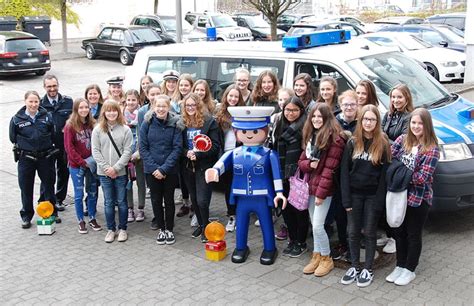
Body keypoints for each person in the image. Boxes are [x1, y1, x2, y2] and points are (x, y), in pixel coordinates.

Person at [205, 106, 286, 265]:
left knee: (266, 223)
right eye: (244, 131)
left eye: (255, 131)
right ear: (236, 132)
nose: (249, 134)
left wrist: (279, 193)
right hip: (241, 197)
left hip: (261, 197)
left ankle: (270, 248)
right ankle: (241, 247)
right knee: (241, 224)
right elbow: (221, 164)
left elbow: (277, 176)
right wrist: (214, 171)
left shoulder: (269, 154)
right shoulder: (234, 153)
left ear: (264, 130)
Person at [386, 108, 439, 286]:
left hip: (418, 199)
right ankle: (400, 265)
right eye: (413, 123)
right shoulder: (402, 140)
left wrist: (400, 172)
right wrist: (404, 172)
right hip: (398, 196)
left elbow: (422, 178)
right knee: (398, 233)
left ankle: (410, 269)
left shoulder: (432, 149)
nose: (416, 126)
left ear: (427, 125)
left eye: (420, 123)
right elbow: (390, 162)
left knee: (413, 234)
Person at [340, 105, 391, 287]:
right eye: (365, 119)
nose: (368, 123)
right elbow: (344, 173)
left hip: (372, 197)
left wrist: (379, 201)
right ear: (361, 121)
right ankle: (355, 266)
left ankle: (367, 269)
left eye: (372, 119)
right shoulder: (352, 142)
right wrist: (345, 199)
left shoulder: (383, 144)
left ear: (377, 122)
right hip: (354, 195)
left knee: (369, 232)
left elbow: (384, 176)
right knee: (352, 232)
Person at [298, 103, 346, 277]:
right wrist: (310, 164)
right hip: (310, 186)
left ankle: (327, 258)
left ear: (327, 119)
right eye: (314, 116)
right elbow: (301, 162)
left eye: (320, 117)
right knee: (314, 223)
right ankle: (316, 256)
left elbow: (329, 170)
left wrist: (320, 194)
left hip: (324, 190)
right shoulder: (312, 136)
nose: (316, 120)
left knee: (318, 225)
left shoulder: (335, 139)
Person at [9, 90, 59, 229]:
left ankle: (51, 212)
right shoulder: (16, 119)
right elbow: (13, 138)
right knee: (26, 187)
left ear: (39, 102)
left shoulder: (47, 117)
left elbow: (53, 134)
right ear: (25, 102)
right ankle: (26, 216)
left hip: (45, 157)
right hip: (26, 158)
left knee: (48, 185)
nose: (33, 104)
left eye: (36, 101)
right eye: (30, 101)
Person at [140, 94, 182, 244]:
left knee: (169, 200)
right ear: (153, 107)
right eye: (158, 106)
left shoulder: (176, 123)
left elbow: (177, 148)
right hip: (151, 171)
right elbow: (143, 148)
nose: (161, 109)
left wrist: (164, 169)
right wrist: (154, 169)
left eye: (164, 106)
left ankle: (169, 229)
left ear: (168, 107)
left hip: (170, 171)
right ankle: (161, 229)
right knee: (156, 200)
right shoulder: (147, 123)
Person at [179, 93, 221, 243]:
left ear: (199, 105)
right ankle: (202, 224)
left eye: (193, 105)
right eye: (187, 105)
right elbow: (178, 145)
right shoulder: (181, 123)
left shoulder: (209, 122)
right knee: (194, 199)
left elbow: (215, 146)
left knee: (203, 200)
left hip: (204, 166)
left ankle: (206, 226)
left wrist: (199, 154)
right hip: (187, 166)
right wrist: (186, 152)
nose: (190, 108)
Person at [91, 101, 133, 243]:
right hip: (104, 173)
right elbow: (95, 151)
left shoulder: (125, 129)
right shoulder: (97, 130)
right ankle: (110, 229)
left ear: (118, 112)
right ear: (104, 112)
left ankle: (123, 229)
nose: (111, 113)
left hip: (120, 172)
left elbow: (128, 151)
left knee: (121, 201)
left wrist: (115, 168)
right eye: (108, 111)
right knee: (108, 202)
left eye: (114, 110)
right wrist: (106, 168)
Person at [272, 97, 308, 258]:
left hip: (298, 176)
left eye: (294, 110)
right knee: (286, 209)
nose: (290, 113)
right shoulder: (280, 124)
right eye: (287, 109)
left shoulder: (305, 127)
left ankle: (301, 242)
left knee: (299, 210)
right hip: (282, 175)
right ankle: (292, 239)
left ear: (301, 111)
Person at [380, 84, 414, 253]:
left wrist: (385, 141)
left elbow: (405, 143)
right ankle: (389, 234)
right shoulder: (388, 115)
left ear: (406, 98)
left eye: (399, 97)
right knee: (386, 201)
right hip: (386, 163)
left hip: (398, 166)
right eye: (393, 97)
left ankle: (396, 238)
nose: (395, 100)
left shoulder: (410, 117)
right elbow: (379, 135)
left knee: (396, 203)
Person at [64, 98, 102, 234]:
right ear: (76, 109)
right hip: (77, 166)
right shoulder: (70, 126)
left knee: (92, 192)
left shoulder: (93, 124)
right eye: (81, 108)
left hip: (91, 164)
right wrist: (82, 162)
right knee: (79, 194)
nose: (84, 110)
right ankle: (80, 220)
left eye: (86, 107)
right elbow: (69, 148)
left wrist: (93, 161)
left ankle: (92, 217)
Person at [330, 89, 359, 261]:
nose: (348, 107)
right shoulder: (334, 123)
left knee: (354, 214)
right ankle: (343, 243)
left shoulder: (362, 123)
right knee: (340, 213)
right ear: (340, 106)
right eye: (345, 104)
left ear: (357, 105)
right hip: (337, 175)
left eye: (352, 104)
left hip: (355, 175)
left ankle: (353, 245)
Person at [39, 74, 73, 214]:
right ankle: (46, 200)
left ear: (58, 85)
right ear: (44, 87)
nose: (52, 89)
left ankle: (59, 199)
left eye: (54, 86)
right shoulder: (40, 104)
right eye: (49, 86)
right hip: (47, 147)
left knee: (63, 173)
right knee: (47, 175)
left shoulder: (68, 102)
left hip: (63, 145)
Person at [215, 84, 245, 232]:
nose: (233, 99)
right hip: (226, 156)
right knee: (228, 188)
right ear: (226, 97)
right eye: (230, 96)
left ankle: (242, 215)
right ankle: (232, 216)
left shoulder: (243, 114)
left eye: (236, 96)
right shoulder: (220, 115)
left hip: (240, 156)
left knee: (239, 187)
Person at [124, 89, 146, 223]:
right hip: (126, 153)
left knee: (140, 181)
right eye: (128, 100)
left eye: (133, 100)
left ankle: (141, 208)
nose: (131, 102)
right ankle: (130, 208)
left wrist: (139, 151)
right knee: (127, 182)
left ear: (138, 101)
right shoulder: (121, 113)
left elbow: (144, 134)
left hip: (139, 153)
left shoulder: (142, 114)